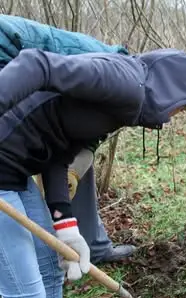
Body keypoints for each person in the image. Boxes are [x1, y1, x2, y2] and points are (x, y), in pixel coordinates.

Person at [0, 45, 186, 298]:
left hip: (14, 169)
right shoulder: (124, 82)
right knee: (25, 297)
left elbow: (59, 149)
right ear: (173, 86)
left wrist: (64, 223)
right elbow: (36, 64)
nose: (175, 117)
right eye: (184, 107)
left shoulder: (123, 105)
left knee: (49, 267)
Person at [0, 13, 137, 266]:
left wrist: (72, 172)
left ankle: (90, 243)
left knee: (64, 159)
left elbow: (81, 133)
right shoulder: (104, 70)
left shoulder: (119, 82)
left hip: (32, 82)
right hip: (13, 62)